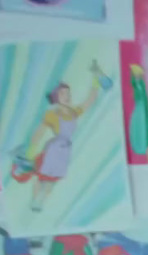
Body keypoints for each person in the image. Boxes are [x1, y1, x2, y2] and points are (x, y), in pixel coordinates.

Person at [14, 63, 106, 212]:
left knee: (52, 181)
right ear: (57, 97)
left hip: (65, 152)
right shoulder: (52, 114)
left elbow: (90, 100)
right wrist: (31, 150)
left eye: (68, 93)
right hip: (53, 149)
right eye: (63, 94)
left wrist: (96, 80)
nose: (67, 96)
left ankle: (40, 202)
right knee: (41, 176)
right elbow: (40, 132)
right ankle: (34, 201)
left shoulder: (74, 112)